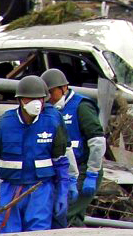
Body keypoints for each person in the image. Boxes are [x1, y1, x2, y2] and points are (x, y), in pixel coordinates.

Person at [0, 75, 76, 233]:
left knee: (38, 234)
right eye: (30, 99)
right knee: (8, 235)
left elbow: (60, 160)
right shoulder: (5, 123)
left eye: (40, 99)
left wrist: (63, 189)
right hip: (9, 189)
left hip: (40, 190)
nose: (36, 103)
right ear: (20, 100)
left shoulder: (52, 122)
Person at [41, 68, 105, 227]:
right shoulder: (50, 110)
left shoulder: (81, 106)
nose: (48, 98)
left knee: (64, 213)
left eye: (51, 92)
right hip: (65, 170)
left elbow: (97, 141)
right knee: (73, 217)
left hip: (84, 169)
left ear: (63, 88)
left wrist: (92, 174)